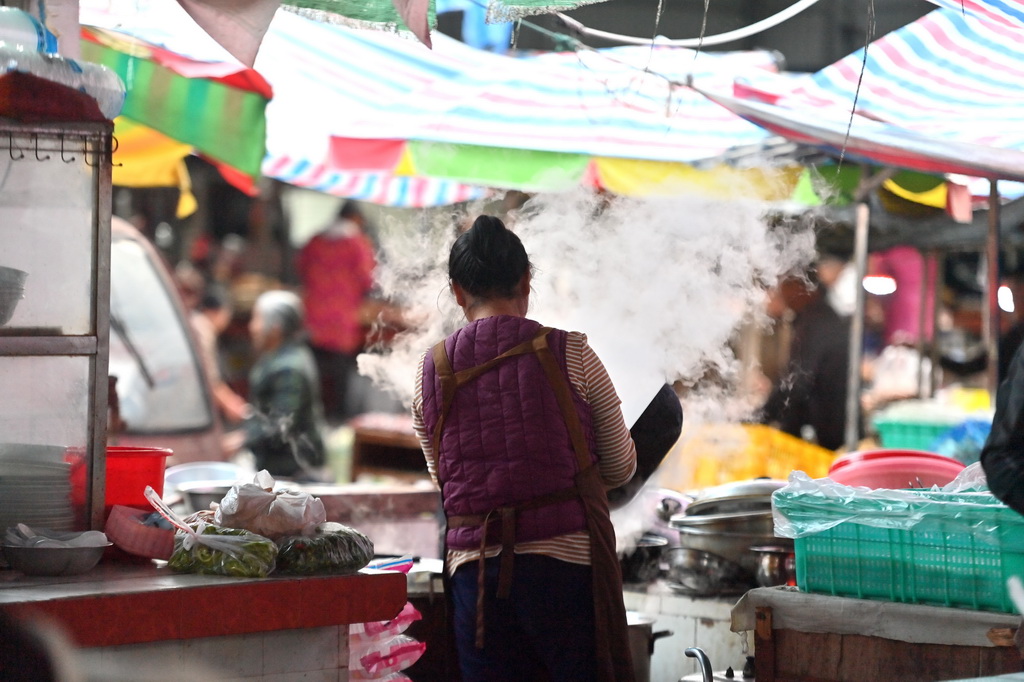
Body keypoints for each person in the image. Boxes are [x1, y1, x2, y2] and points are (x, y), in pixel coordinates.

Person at [411, 215, 638, 682]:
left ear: (457, 291)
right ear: (526, 280)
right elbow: (620, 465)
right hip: (565, 573)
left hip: (475, 577)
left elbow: (445, 481)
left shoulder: (427, 373)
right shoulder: (572, 352)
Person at [296, 201, 377, 423]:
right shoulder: (357, 243)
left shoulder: (315, 241)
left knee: (316, 370)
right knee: (341, 372)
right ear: (355, 218)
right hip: (341, 319)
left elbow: (301, 268)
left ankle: (314, 415)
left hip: (314, 317)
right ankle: (340, 418)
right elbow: (367, 278)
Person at [238, 290, 326, 478]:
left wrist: (241, 441)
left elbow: (281, 423)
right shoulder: (277, 356)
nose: (252, 327)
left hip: (295, 470)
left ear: (276, 327)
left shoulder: (289, 367)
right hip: (276, 466)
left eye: (257, 319)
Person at [760, 269, 851, 450]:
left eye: (784, 287)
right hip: (828, 427)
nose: (782, 294)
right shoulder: (818, 317)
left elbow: (798, 382)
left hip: (828, 431)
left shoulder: (817, 323)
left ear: (800, 285)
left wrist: (762, 416)